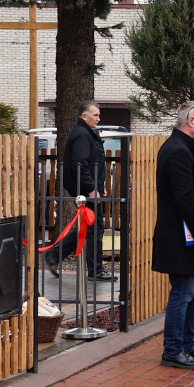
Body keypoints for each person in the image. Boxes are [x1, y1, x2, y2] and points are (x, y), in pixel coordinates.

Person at [152, 101, 194, 370]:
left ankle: (186, 344)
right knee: (184, 292)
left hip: (186, 234)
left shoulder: (186, 148)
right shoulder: (177, 151)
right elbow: (184, 197)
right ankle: (173, 350)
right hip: (179, 236)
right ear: (191, 120)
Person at [44, 101, 113, 281]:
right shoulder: (82, 134)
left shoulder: (87, 133)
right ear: (84, 116)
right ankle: (95, 270)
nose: (98, 118)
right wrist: (91, 189)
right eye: (95, 115)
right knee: (94, 229)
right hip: (86, 190)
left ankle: (53, 256)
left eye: (98, 115)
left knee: (88, 227)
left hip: (90, 188)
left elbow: (94, 163)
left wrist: (100, 185)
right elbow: (80, 165)